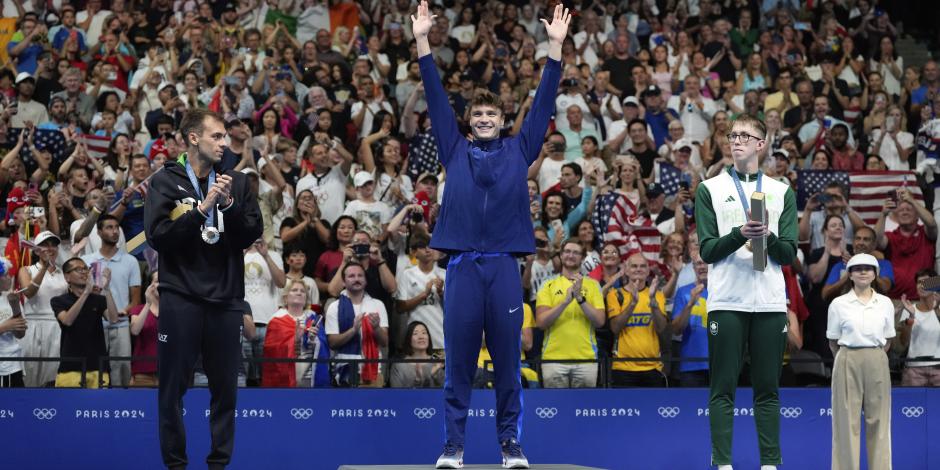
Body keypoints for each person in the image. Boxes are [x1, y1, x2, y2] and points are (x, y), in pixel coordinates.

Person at [413, 2, 569, 468]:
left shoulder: (521, 149)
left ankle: (510, 446)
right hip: (461, 265)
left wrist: (556, 48)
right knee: (458, 364)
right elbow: (436, 95)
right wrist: (422, 40)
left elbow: (542, 102)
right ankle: (453, 447)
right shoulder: (453, 146)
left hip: (503, 265)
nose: (483, 118)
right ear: (470, 119)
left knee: (506, 364)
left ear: (502, 120)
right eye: (477, 113)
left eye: (491, 114)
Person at [144, 109, 262, 469]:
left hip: (226, 299)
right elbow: (158, 237)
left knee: (225, 392)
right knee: (172, 391)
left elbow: (251, 232)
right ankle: (176, 465)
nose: (225, 143)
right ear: (193, 138)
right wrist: (201, 209)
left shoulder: (237, 182)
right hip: (180, 296)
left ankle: (218, 465)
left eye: (226, 137)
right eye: (217, 136)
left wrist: (227, 205)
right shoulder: (165, 180)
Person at [695, 114, 798, 470]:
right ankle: (722, 464)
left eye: (744, 135)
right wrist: (741, 233)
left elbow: (788, 254)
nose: (735, 140)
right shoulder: (709, 189)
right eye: (731, 135)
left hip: (769, 301)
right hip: (727, 300)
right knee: (722, 387)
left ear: (761, 143)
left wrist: (767, 237)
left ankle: (770, 464)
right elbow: (707, 250)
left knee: (768, 389)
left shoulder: (782, 191)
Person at [827, 254, 894, 470]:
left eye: (868, 268)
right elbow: (833, 341)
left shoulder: (885, 303)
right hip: (847, 357)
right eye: (857, 268)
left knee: (880, 423)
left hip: (877, 357)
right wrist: (848, 356)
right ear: (850, 274)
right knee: (845, 423)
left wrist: (873, 355)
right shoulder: (838, 303)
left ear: (875, 274)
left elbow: (888, 340)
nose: (863, 272)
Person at [81, 214, 141, 387]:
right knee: (91, 372)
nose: (114, 231)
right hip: (93, 325)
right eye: (109, 227)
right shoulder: (86, 261)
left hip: (120, 325)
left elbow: (135, 300)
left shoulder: (131, 261)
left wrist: (124, 311)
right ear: (99, 232)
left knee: (122, 372)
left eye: (117, 227)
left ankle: (120, 407)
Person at [535, 239, 605, 388]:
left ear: (582, 257)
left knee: (583, 409)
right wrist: (565, 301)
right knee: (556, 409)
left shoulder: (593, 285)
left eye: (576, 252)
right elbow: (541, 322)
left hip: (586, 359)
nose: (570, 255)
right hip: (553, 359)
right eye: (567, 251)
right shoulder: (547, 284)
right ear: (561, 255)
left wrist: (580, 299)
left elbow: (600, 321)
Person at [51, 257, 119, 388]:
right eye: (78, 269)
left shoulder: (98, 299)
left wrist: (107, 289)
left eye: (85, 269)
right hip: (71, 367)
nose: (84, 272)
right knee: (68, 406)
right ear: (67, 277)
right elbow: (67, 321)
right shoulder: (59, 300)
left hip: (98, 366)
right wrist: (86, 293)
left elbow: (113, 319)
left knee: (98, 407)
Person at [605, 252, 668, 387]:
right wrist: (633, 303)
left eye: (642, 266)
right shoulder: (615, 294)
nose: (638, 269)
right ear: (626, 270)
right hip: (623, 368)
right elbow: (615, 327)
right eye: (634, 266)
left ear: (647, 271)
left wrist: (653, 302)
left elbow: (662, 328)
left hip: (653, 366)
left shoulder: (657, 295)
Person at [325, 262, 389, 387]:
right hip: (345, 371)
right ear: (343, 282)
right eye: (351, 276)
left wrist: (376, 328)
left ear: (365, 281)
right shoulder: (334, 307)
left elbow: (384, 342)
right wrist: (353, 330)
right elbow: (332, 343)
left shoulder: (377, 305)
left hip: (373, 372)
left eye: (360, 276)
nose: (356, 279)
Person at [262, 279, 330, 388]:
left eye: (302, 291)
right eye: (294, 290)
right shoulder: (276, 320)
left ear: (306, 298)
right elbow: (272, 354)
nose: (299, 293)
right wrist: (296, 339)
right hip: (285, 380)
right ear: (285, 297)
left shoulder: (314, 318)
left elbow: (324, 349)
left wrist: (312, 340)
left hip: (310, 379)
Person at [671, 255, 710, 387]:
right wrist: (690, 304)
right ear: (693, 268)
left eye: (706, 262)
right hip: (691, 365)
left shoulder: (724, 292)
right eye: (698, 263)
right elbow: (676, 330)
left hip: (721, 364)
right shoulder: (683, 292)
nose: (702, 266)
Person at [896, 269, 940, 387]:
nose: (922, 285)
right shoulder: (910, 309)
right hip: (914, 369)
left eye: (926, 282)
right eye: (919, 282)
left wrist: (936, 309)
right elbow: (903, 342)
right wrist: (911, 316)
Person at [389, 320, 444, 388]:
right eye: (415, 333)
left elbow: (446, 393)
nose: (421, 337)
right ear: (408, 339)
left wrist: (435, 376)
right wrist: (418, 381)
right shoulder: (399, 366)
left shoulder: (436, 362)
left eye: (424, 333)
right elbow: (396, 395)